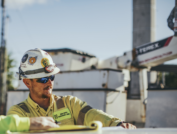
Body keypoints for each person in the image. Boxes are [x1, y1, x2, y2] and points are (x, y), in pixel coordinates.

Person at [7, 48, 136, 129]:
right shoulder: (18, 113)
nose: (49, 83)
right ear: (27, 83)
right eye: (43, 79)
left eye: (51, 77)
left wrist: (118, 124)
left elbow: (93, 115)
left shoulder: (69, 104)